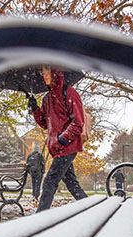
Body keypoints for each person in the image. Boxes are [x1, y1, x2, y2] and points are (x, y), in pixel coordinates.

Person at [28, 66, 87, 212]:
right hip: (57, 148)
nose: (44, 75)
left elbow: (78, 122)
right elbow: (44, 123)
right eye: (42, 72)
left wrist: (62, 139)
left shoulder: (69, 92)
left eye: (47, 70)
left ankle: (40, 218)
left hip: (68, 146)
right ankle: (91, 208)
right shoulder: (47, 98)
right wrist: (35, 108)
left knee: (49, 182)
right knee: (72, 183)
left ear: (56, 71)